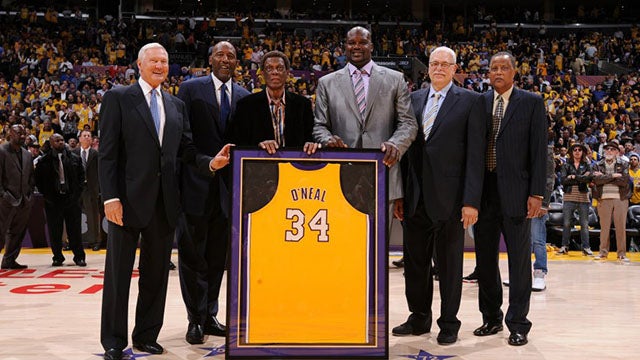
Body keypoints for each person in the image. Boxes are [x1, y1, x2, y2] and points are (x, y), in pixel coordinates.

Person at [98, 43, 231, 360]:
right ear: (140, 64)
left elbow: (185, 150)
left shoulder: (174, 105)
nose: (160, 65)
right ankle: (114, 341)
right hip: (126, 203)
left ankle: (146, 336)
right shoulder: (119, 97)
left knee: (155, 276)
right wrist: (111, 198)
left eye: (165, 61)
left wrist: (210, 163)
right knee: (118, 277)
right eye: (154, 61)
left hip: (165, 204)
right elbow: (107, 154)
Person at [392, 46, 485, 345]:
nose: (439, 69)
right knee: (415, 264)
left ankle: (449, 322)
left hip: (452, 199)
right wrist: (400, 196)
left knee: (449, 266)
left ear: (455, 68)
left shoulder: (471, 101)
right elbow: (405, 152)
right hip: (416, 197)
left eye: (446, 64)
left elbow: (475, 155)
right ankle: (419, 318)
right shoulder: (413, 98)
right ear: (427, 68)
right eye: (434, 63)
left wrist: (471, 201)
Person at [175, 40, 250, 345]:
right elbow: (183, 138)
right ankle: (194, 319)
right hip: (195, 183)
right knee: (193, 257)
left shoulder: (245, 96)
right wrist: (209, 164)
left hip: (228, 191)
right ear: (209, 59)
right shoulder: (190, 89)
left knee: (217, 257)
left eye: (231, 55)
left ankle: (210, 314)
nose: (225, 58)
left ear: (237, 63)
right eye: (219, 53)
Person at [473, 51, 546, 346]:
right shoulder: (478, 102)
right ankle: (491, 318)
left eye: (504, 68)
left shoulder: (531, 102)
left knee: (518, 262)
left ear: (515, 72)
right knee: (485, 261)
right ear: (488, 74)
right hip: (484, 193)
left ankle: (518, 323)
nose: (498, 72)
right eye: (494, 68)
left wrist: (537, 193)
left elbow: (540, 151)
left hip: (517, 194)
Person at [313, 26, 417, 220]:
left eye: (362, 42)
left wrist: (395, 144)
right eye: (352, 43)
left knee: (378, 246)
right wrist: (328, 139)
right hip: (340, 174)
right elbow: (319, 125)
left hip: (383, 172)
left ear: (372, 45)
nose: (357, 47)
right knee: (344, 244)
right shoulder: (327, 83)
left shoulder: (395, 79)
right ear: (345, 47)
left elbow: (408, 123)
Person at [229, 50, 319, 154]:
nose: (274, 72)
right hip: (259, 166)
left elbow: (311, 138)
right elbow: (237, 143)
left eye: (279, 68)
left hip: (294, 167)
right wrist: (258, 146)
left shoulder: (303, 104)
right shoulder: (246, 105)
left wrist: (311, 144)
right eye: (269, 68)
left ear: (287, 73)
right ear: (262, 74)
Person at [34, 133, 87, 267]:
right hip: (53, 201)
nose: (61, 142)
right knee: (55, 231)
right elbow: (38, 181)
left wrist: (77, 195)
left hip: (72, 199)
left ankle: (79, 256)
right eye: (57, 141)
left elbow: (82, 178)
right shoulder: (43, 161)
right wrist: (47, 196)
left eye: (62, 140)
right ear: (51, 143)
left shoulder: (75, 158)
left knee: (75, 230)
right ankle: (57, 257)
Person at [0, 124, 34, 269]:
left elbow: (31, 177)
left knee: (17, 233)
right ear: (10, 133)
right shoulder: (1, 151)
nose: (22, 136)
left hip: (23, 201)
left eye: (23, 134)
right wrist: (3, 195)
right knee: (0, 232)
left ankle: (9, 260)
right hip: (5, 200)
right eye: (18, 133)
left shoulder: (27, 154)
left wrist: (29, 194)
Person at [591, 142, 631, 262]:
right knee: (604, 227)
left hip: (620, 198)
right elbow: (596, 180)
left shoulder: (624, 164)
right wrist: (613, 175)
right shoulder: (597, 165)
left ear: (617, 152)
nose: (609, 151)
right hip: (603, 198)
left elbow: (624, 181)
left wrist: (604, 177)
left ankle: (622, 254)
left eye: (612, 149)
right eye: (607, 149)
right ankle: (603, 252)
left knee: (620, 227)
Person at [556, 143, 593, 256]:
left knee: (584, 224)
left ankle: (586, 248)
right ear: (571, 152)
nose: (577, 151)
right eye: (575, 150)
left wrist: (573, 176)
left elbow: (589, 178)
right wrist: (581, 177)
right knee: (566, 223)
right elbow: (563, 180)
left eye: (579, 150)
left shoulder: (587, 165)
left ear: (583, 152)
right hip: (569, 196)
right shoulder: (566, 165)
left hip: (583, 197)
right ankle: (564, 246)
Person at [73, 129, 102, 251]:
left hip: (91, 189)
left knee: (92, 216)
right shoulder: (73, 153)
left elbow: (100, 173)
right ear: (79, 139)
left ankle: (95, 241)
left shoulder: (96, 155)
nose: (86, 137)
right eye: (84, 135)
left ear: (91, 139)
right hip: (76, 189)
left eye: (88, 136)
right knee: (73, 216)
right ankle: (72, 241)